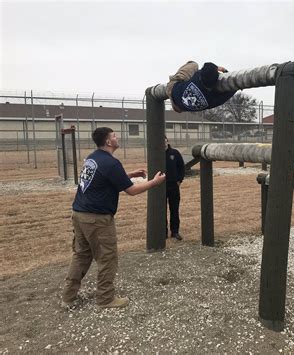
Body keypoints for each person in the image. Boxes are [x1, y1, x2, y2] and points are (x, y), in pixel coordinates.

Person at [62, 127, 166, 309]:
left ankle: (68, 297)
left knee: (81, 255)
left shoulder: (92, 158)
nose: (117, 138)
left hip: (79, 215)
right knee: (107, 258)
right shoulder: (111, 163)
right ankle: (105, 299)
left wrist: (130, 175)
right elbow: (131, 191)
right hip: (97, 219)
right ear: (109, 142)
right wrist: (154, 183)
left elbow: (105, 179)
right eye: (114, 136)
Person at [165, 61, 236, 113]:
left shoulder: (197, 76)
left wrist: (220, 68)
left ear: (201, 77)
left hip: (172, 89)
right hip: (179, 107)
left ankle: (179, 82)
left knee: (194, 64)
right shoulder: (212, 100)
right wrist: (226, 71)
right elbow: (233, 89)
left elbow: (206, 67)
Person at [165, 136, 185, 240]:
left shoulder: (175, 153)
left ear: (167, 141)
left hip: (173, 186)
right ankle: (163, 232)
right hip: (160, 186)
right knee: (161, 210)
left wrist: (179, 180)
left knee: (174, 209)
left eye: (163, 140)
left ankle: (175, 232)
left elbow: (181, 167)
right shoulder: (156, 154)